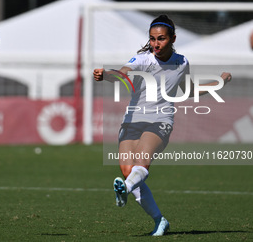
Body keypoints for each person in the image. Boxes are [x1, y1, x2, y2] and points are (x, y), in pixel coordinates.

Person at [93, 14, 232, 236]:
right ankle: (160, 221)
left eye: (161, 39)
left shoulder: (182, 62)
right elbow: (122, 74)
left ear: (173, 38)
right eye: (152, 39)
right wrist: (106, 75)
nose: (156, 44)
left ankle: (125, 190)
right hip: (132, 120)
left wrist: (220, 83)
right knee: (128, 170)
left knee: (140, 163)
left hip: (161, 120)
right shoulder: (143, 60)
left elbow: (190, 90)